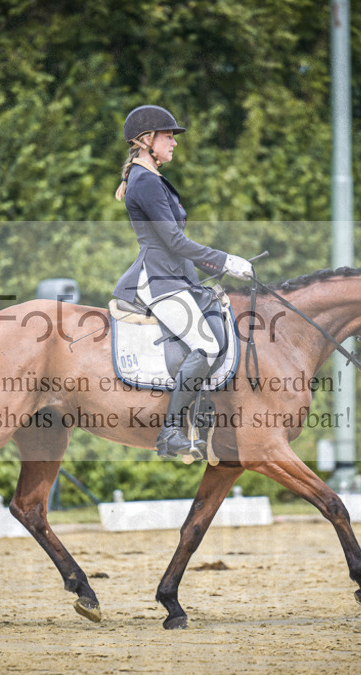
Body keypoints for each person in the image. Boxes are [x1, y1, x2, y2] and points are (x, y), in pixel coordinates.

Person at [112, 105, 254, 458]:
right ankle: (170, 432)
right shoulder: (145, 182)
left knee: (217, 332)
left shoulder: (152, 178)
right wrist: (226, 260)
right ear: (146, 141)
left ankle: (204, 418)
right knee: (205, 347)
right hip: (159, 281)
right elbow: (173, 241)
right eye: (168, 136)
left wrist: (213, 269)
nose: (174, 143)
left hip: (176, 277)